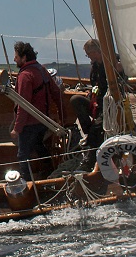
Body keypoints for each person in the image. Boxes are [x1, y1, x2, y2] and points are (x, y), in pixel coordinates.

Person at [11, 41, 63, 178]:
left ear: (24, 57)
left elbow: (23, 104)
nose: (14, 59)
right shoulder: (42, 70)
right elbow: (56, 93)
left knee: (23, 155)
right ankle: (50, 173)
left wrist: (17, 129)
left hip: (29, 124)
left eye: (16, 56)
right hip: (42, 121)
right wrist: (62, 115)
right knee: (38, 145)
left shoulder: (25, 75)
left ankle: (28, 184)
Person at [69, 39, 109, 152]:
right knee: (75, 99)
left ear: (95, 52)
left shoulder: (111, 63)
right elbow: (95, 85)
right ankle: (88, 131)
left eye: (88, 54)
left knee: (96, 128)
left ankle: (92, 144)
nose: (88, 56)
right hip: (97, 102)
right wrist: (92, 93)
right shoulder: (95, 67)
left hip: (109, 104)